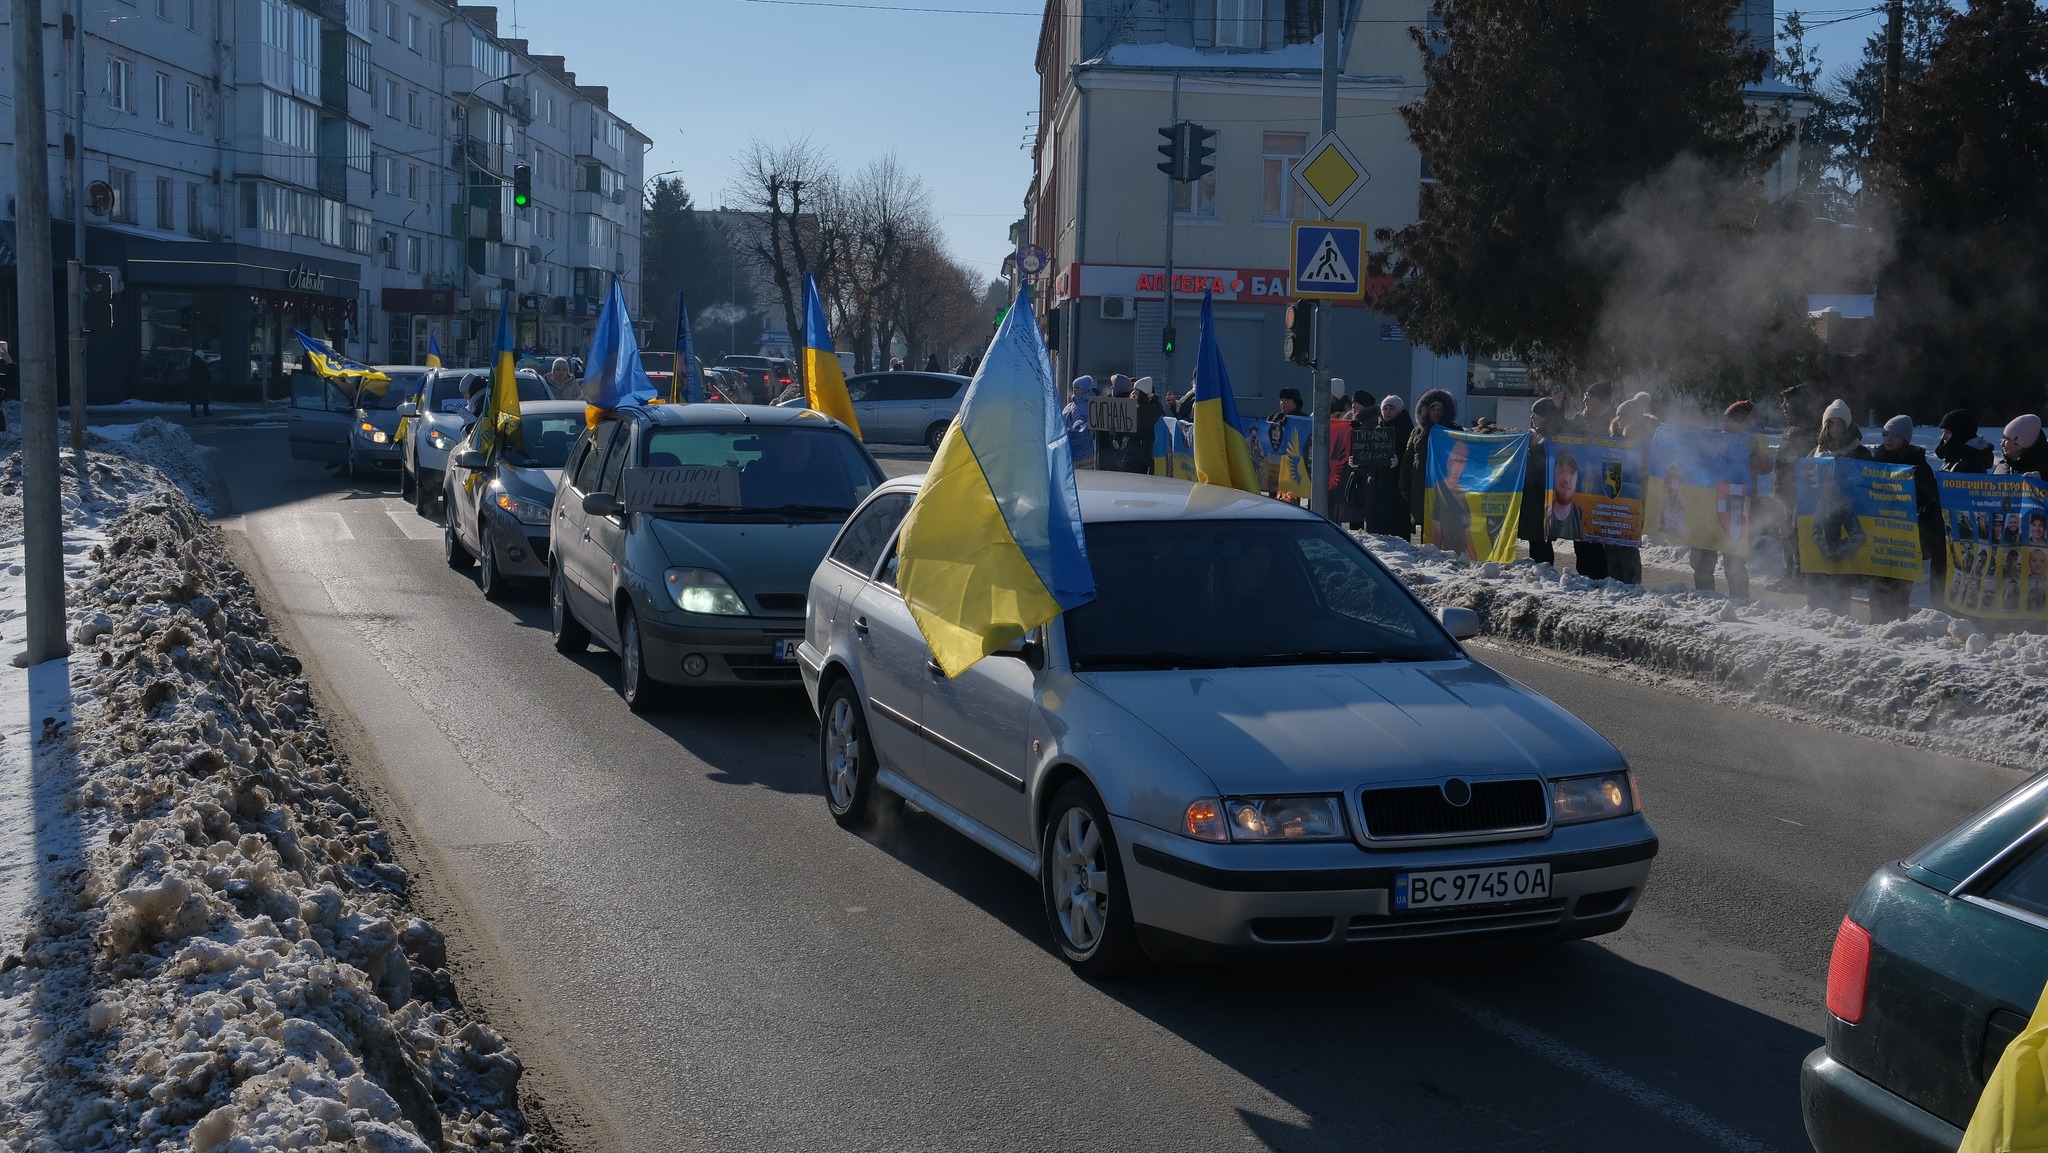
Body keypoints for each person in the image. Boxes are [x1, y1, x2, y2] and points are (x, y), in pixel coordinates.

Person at [1688, 400, 1773, 599]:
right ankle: (1705, 597)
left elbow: (1767, 467)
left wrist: (1754, 453)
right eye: (1730, 419)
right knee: (1703, 555)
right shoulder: (1715, 439)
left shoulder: (1754, 441)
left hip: (1738, 505)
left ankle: (1740, 600)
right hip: (1709, 503)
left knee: (1734, 558)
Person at [1868, 414, 1941, 623]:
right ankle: (1875, 621)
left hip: (1904, 534)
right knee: (1876, 578)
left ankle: (1897, 623)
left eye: (1894, 436)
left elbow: (1929, 496)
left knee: (1899, 582)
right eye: (1885, 434)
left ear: (1905, 439)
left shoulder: (1918, 464)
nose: (1888, 439)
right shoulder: (1875, 460)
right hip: (1879, 531)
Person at [1807, 398, 1873, 615]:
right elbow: (1804, 483)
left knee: (1840, 570)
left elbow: (1869, 484)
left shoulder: (1860, 453)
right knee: (1816, 568)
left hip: (1846, 514)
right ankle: (1815, 614)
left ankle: (1840, 615)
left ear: (1847, 425)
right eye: (1831, 423)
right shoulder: (1816, 452)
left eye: (1840, 423)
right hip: (1820, 513)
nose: (1835, 428)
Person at [1603, 392, 1658, 585]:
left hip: (1635, 495)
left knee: (1627, 540)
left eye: (1623, 415)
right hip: (1614, 496)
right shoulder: (1613, 439)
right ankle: (1615, 580)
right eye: (1618, 415)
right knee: (1611, 540)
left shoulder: (1649, 438)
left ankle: (1631, 583)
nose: (1619, 419)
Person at [1401, 388, 1460, 539]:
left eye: (1440, 409)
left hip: (1446, 488)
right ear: (1427, 410)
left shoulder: (1455, 431)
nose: (1436, 412)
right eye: (1433, 408)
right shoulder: (1417, 432)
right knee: (1426, 525)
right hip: (1421, 485)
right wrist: (1404, 485)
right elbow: (1408, 459)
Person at [1366, 395, 1413, 537]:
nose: (1387, 412)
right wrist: (1358, 462)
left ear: (1399, 411)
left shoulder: (1407, 430)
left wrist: (1400, 461)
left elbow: (1412, 457)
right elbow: (1369, 457)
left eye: (1392, 408)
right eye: (1385, 408)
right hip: (1376, 490)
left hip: (1396, 491)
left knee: (1396, 531)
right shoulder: (1376, 431)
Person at [1095, 374, 1160, 474]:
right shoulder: (1136, 407)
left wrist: (1118, 432)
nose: (1133, 393)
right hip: (1130, 454)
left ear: (1143, 394)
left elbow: (1139, 431)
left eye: (1137, 391)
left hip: (1141, 455)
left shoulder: (1150, 410)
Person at [1519, 397, 1557, 566]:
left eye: (1536, 414)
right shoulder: (1534, 435)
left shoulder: (1550, 437)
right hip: (1532, 492)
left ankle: (1545, 568)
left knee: (1541, 538)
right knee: (1534, 538)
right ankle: (1538, 567)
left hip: (1542, 492)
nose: (1532, 417)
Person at [1934, 408, 1995, 473]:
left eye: (1948, 432)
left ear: (1961, 435)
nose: (1943, 437)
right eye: (1943, 432)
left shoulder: (1971, 465)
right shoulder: (1956, 456)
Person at [1063, 375, 1098, 470]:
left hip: (1083, 444)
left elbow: (1093, 423)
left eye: (1077, 387)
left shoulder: (1091, 405)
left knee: (1083, 470)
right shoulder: (1070, 405)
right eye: (1073, 387)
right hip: (1068, 442)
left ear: (1085, 388)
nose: (1074, 390)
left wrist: (1081, 427)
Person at [185, 348, 214, 418]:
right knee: (205, 398)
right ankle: (206, 411)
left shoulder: (192, 363)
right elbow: (206, 373)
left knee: (193, 399)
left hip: (192, 383)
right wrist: (209, 380)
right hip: (202, 384)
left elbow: (189, 374)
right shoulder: (202, 364)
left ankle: (193, 412)